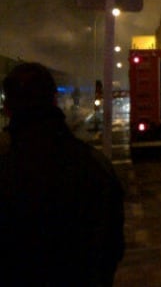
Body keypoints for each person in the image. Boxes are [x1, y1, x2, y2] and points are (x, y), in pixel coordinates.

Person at [0, 62, 125, 286]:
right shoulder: (94, 166)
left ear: (7, 108)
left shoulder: (7, 167)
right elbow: (113, 245)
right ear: (54, 100)